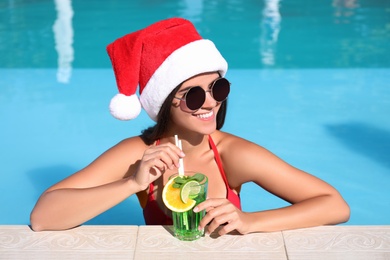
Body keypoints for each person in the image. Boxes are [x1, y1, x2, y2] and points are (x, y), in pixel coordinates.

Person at [30, 17, 350, 235]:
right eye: (194, 96)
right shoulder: (139, 154)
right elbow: (42, 218)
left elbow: (334, 205)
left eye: (218, 88)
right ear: (164, 101)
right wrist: (131, 183)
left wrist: (249, 221)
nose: (211, 102)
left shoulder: (232, 154)